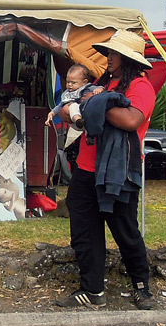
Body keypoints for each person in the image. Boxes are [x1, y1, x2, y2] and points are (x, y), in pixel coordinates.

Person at [55, 29, 156, 310]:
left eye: (112, 53)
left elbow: (130, 120)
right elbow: (68, 109)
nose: (108, 57)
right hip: (87, 168)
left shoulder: (140, 87)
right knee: (85, 233)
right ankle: (92, 290)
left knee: (125, 230)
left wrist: (90, 104)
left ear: (126, 58)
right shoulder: (102, 83)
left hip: (118, 170)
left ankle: (141, 286)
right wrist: (81, 105)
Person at [44, 63, 100, 130]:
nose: (70, 85)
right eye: (68, 82)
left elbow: (100, 88)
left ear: (84, 82)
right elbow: (60, 105)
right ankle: (78, 120)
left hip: (86, 116)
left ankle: (87, 133)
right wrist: (52, 113)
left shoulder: (87, 88)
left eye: (73, 82)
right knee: (73, 106)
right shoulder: (67, 93)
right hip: (74, 122)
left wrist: (99, 89)